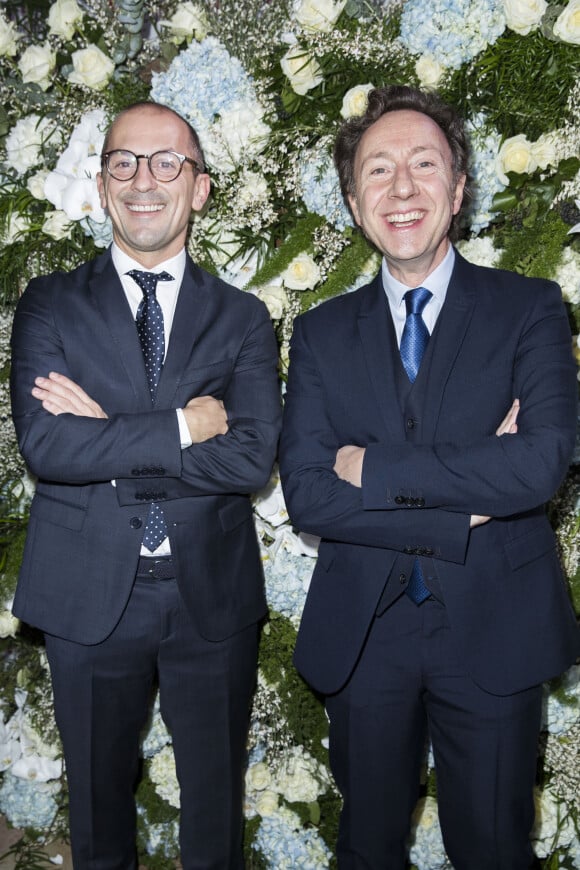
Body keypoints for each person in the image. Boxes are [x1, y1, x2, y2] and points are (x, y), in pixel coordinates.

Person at [279, 85, 579, 869]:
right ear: (353, 201)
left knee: (492, 850)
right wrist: (464, 507)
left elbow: (541, 460)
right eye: (378, 170)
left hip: (497, 625)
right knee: (368, 847)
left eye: (423, 164)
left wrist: (372, 468)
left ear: (458, 188)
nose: (401, 188)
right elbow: (310, 492)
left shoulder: (531, 309)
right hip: (364, 632)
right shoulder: (318, 334)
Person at [10, 101, 281, 869]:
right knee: (98, 817)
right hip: (85, 594)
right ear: (101, 185)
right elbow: (49, 445)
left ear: (199, 188)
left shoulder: (244, 318)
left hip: (212, 598)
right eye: (123, 162)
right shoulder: (49, 303)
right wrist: (182, 427)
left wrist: (111, 433)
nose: (143, 180)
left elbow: (250, 460)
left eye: (167, 163)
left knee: (215, 816)